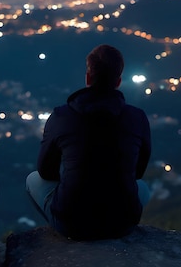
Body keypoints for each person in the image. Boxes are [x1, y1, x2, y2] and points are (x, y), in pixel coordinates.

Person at [26, 44, 152, 240]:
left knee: (32, 179)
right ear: (118, 81)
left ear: (88, 78)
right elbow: (138, 173)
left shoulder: (61, 116)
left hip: (72, 224)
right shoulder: (138, 117)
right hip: (122, 223)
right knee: (143, 187)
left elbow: (45, 171)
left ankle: (58, 236)